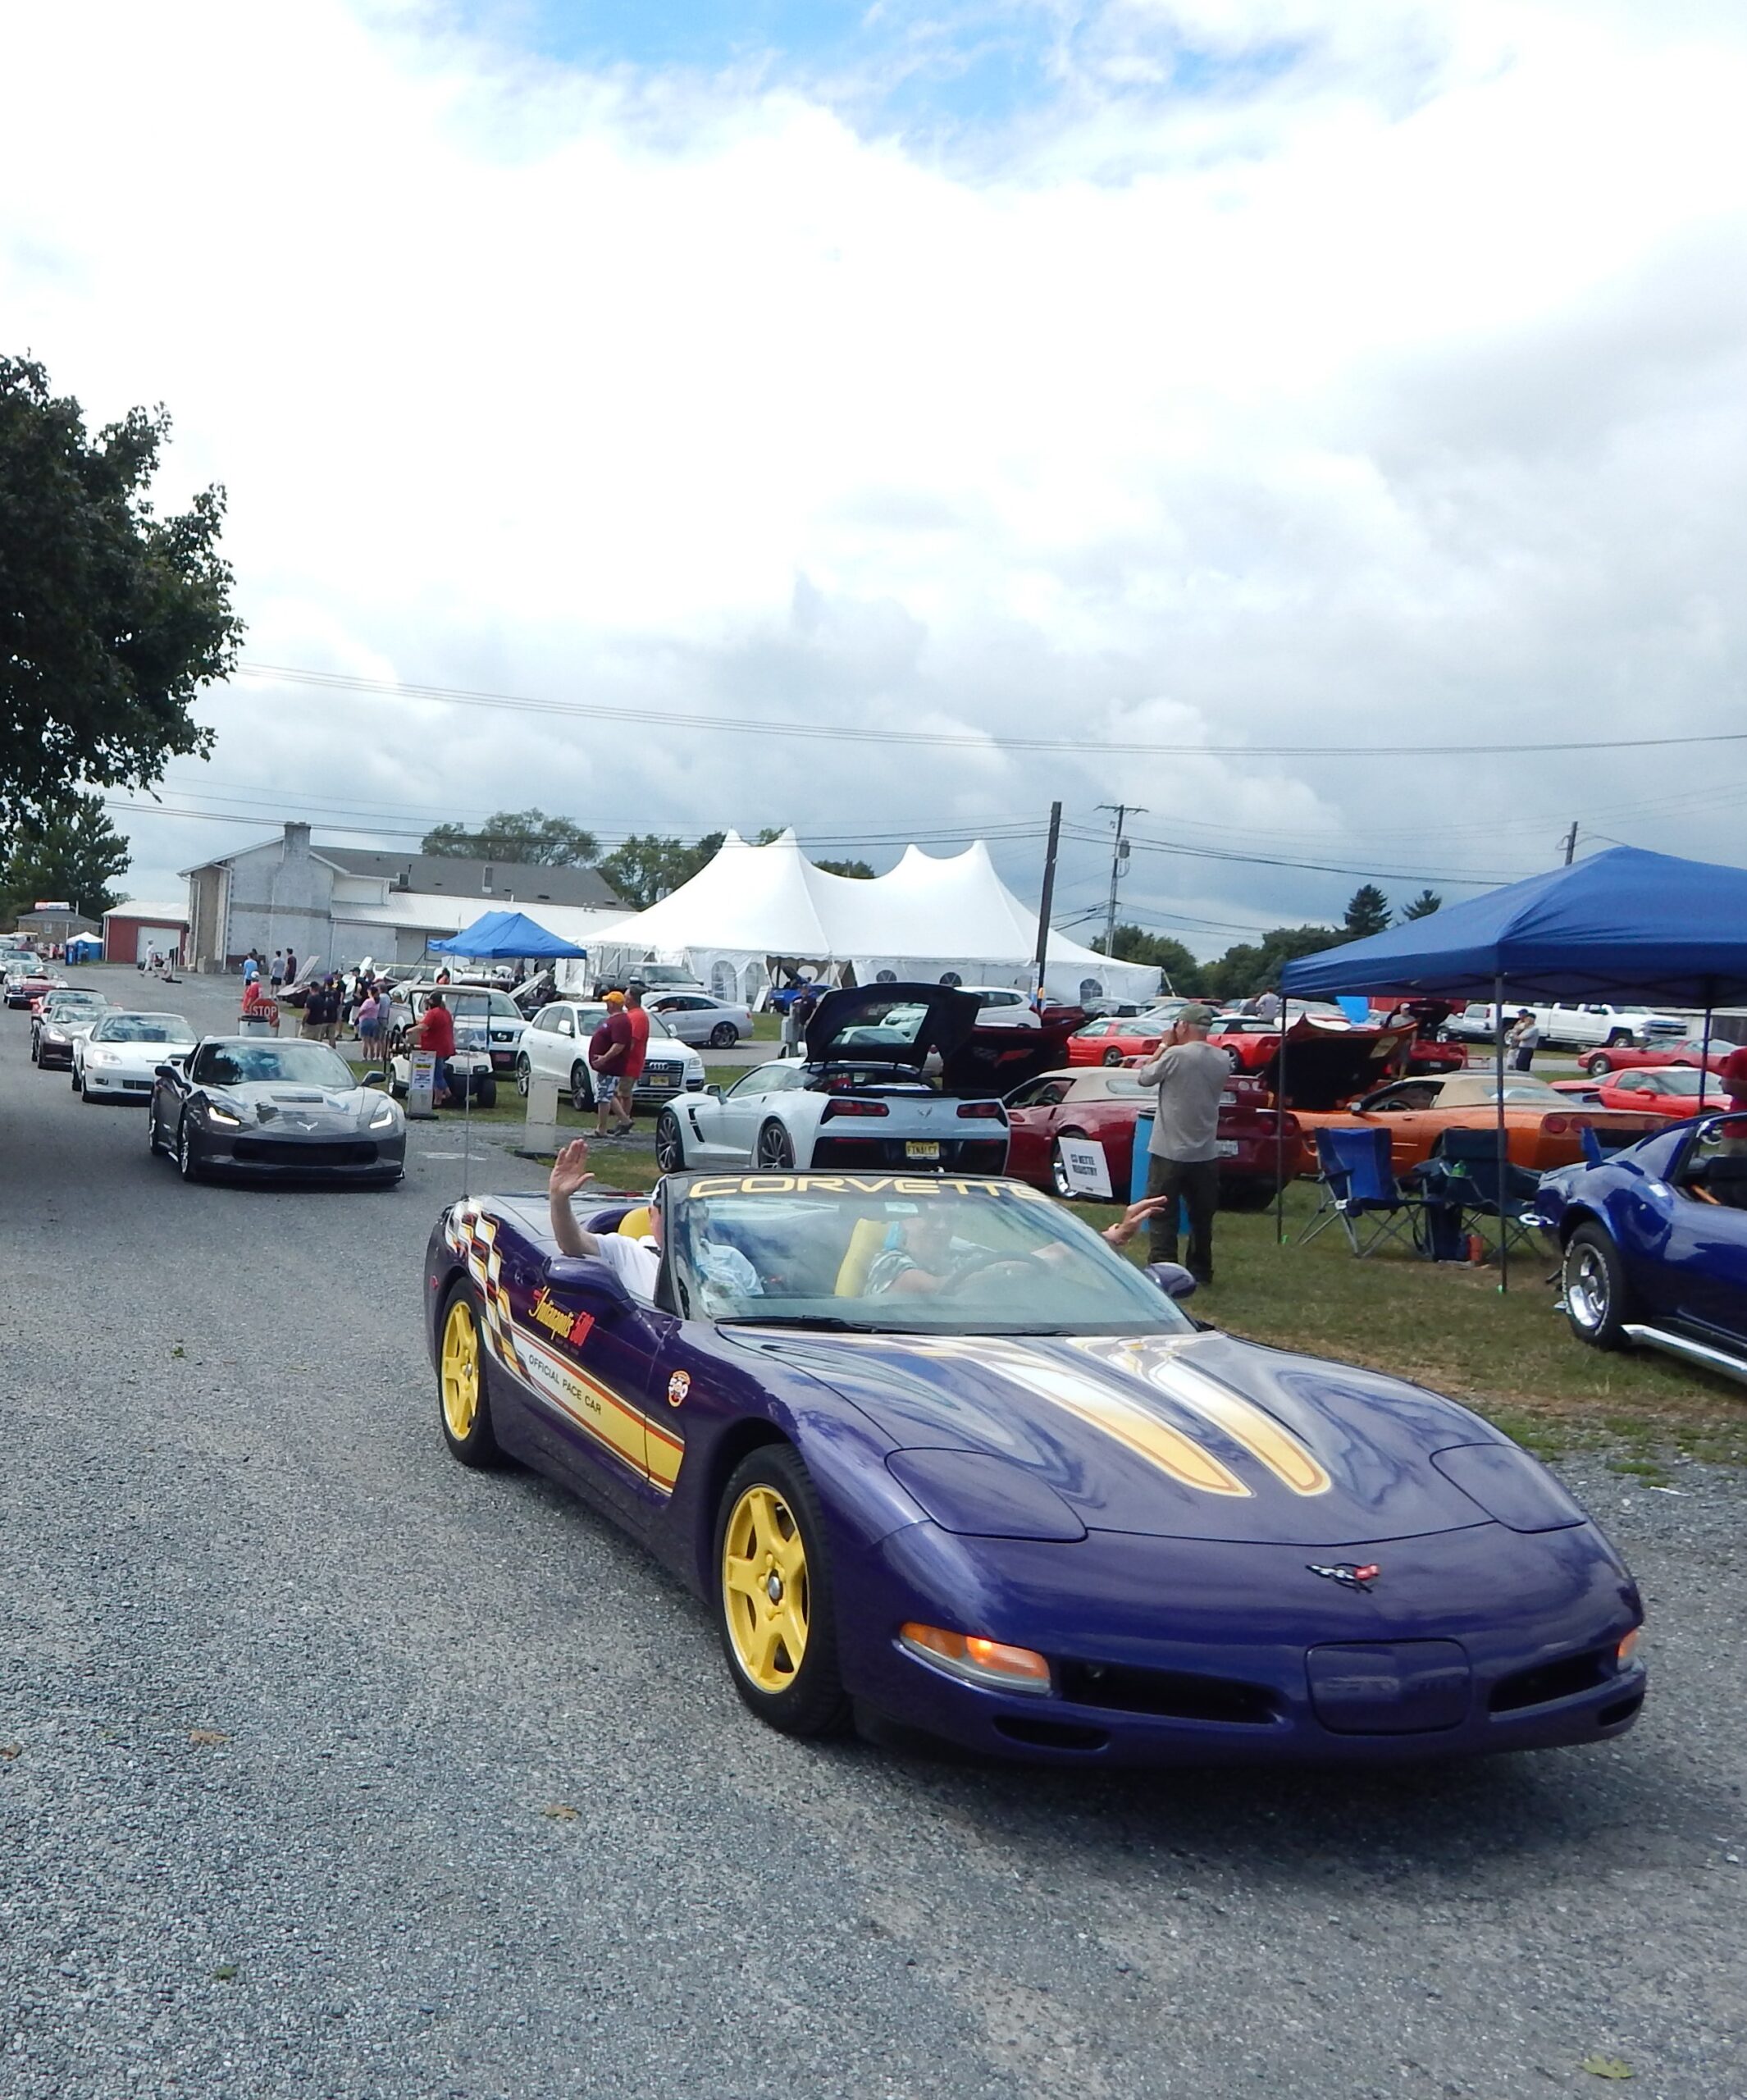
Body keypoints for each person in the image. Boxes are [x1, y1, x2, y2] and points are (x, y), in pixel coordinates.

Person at [864, 1194, 1176, 1297]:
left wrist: (1113, 1237)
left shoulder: (963, 1255)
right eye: (932, 1219)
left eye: (950, 1219)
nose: (942, 1228)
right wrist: (1006, 1271)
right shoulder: (890, 1262)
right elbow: (936, 1288)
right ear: (905, 1221)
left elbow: (1044, 1257)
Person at [1133, 1002, 1229, 1284]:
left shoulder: (1175, 1055)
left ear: (1183, 1026)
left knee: (1163, 1212)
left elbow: (1145, 1078)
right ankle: (1201, 1270)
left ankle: (1165, 1268)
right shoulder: (1222, 1059)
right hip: (1205, 1150)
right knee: (1202, 1216)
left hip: (1169, 1149)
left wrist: (1163, 1046)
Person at [590, 989, 632, 1137]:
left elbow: (619, 1044)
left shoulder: (621, 1021)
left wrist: (604, 1058)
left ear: (613, 1004)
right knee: (607, 1094)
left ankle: (601, 1129)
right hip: (608, 1067)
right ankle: (625, 1120)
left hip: (611, 1067)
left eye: (608, 1002)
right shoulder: (615, 1020)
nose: (606, 1005)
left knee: (603, 1097)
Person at [416, 991, 456, 1107]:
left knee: (436, 1075)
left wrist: (411, 1030)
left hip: (435, 1047)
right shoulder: (446, 1013)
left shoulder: (433, 1013)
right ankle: (445, 1096)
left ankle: (442, 1099)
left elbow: (424, 1027)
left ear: (432, 1002)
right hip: (446, 1046)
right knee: (438, 1073)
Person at [619, 984, 651, 1130]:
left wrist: (619, 1056)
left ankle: (624, 1120)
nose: (624, 999)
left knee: (624, 1093)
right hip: (626, 1062)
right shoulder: (632, 1014)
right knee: (621, 1093)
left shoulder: (638, 1016)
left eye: (626, 996)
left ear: (631, 998)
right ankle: (623, 1120)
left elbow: (631, 1041)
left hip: (630, 1062)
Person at [1507, 1009, 1541, 1073]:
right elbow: (1515, 1031)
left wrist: (1514, 1036)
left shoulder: (1534, 1029)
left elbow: (1523, 1037)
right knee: (1518, 1062)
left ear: (1532, 1020)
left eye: (1528, 1019)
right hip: (1522, 1048)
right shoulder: (1526, 1027)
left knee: (1522, 1065)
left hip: (1527, 1049)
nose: (1526, 1020)